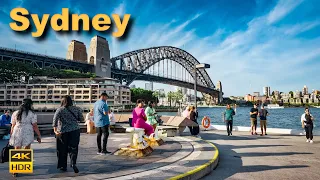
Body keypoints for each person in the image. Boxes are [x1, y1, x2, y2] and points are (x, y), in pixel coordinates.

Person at [9, 99, 41, 177]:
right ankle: (25, 165)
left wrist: (11, 133)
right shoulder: (32, 114)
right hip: (27, 131)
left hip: (17, 130)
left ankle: (15, 170)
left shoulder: (15, 113)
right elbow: (35, 126)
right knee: (27, 148)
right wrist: (39, 135)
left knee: (17, 149)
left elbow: (12, 125)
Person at [53, 96, 82, 173]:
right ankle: (73, 163)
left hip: (63, 131)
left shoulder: (60, 110)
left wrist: (55, 131)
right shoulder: (77, 108)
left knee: (62, 149)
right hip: (75, 130)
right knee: (73, 148)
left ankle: (63, 166)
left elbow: (54, 121)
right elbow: (81, 119)